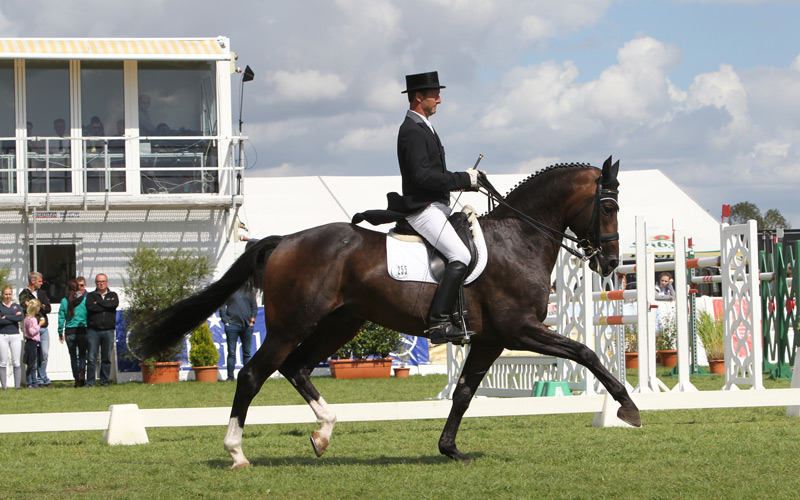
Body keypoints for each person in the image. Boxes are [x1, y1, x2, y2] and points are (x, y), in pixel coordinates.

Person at [395, 71, 480, 344]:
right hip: (423, 209)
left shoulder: (424, 126)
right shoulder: (411, 131)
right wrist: (462, 179)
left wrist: (467, 181)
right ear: (419, 97)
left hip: (437, 205)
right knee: (460, 256)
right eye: (435, 95)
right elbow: (422, 177)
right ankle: (438, 323)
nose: (439, 100)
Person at [19, 271, 53, 387]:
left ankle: (42, 377)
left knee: (44, 353)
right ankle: (33, 380)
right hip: (32, 331)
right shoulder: (24, 294)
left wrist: (37, 306)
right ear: (32, 281)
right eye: (39, 281)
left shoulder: (42, 293)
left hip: (43, 328)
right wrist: (36, 306)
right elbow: (26, 308)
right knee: (34, 355)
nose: (41, 283)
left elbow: (47, 308)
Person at [85, 274, 119, 387]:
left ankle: (104, 381)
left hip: (108, 330)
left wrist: (99, 303)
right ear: (96, 283)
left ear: (107, 282)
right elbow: (90, 307)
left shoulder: (113, 295)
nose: (101, 283)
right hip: (93, 330)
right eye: (99, 281)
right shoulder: (91, 296)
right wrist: (105, 305)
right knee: (91, 358)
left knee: (106, 357)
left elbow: (113, 304)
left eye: (103, 281)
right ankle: (90, 382)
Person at [219, 288, 257, 381]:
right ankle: (230, 377)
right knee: (231, 353)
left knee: (247, 353)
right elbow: (222, 306)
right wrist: (226, 321)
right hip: (232, 326)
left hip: (247, 326)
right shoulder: (229, 291)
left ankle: (247, 377)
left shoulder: (249, 290)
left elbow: (254, 307)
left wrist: (252, 321)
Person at [58, 279, 88, 387]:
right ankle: (82, 376)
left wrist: (60, 332)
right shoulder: (84, 300)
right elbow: (87, 315)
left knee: (73, 357)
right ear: (78, 287)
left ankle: (76, 379)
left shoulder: (64, 301)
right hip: (82, 330)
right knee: (82, 355)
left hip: (70, 331)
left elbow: (61, 317)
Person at [0, 285, 23, 390]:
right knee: (3, 362)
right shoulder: (0, 306)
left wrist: (7, 317)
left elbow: (20, 317)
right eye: (6, 294)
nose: (8, 296)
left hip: (15, 335)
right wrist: (14, 318)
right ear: (2, 295)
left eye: (9, 294)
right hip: (3, 335)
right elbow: (1, 321)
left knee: (16, 361)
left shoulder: (16, 306)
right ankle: (4, 386)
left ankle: (17, 386)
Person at [23, 299, 42, 389]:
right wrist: (39, 325)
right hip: (33, 342)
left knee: (31, 364)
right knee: (32, 364)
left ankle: (33, 382)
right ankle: (31, 382)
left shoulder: (26, 318)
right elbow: (31, 331)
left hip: (29, 342)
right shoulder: (32, 319)